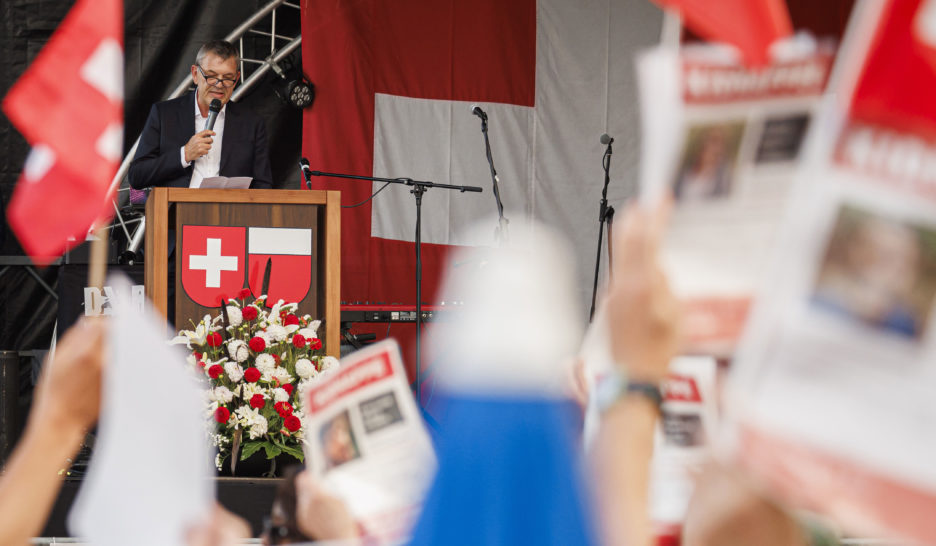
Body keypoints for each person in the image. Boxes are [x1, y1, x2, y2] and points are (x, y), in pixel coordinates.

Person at [128, 39, 273, 191]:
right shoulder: (164, 114)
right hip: (177, 211)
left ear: (236, 79)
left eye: (227, 78)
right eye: (211, 76)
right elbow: (137, 175)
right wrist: (184, 154)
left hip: (230, 213)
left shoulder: (251, 123)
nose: (219, 84)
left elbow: (263, 185)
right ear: (195, 74)